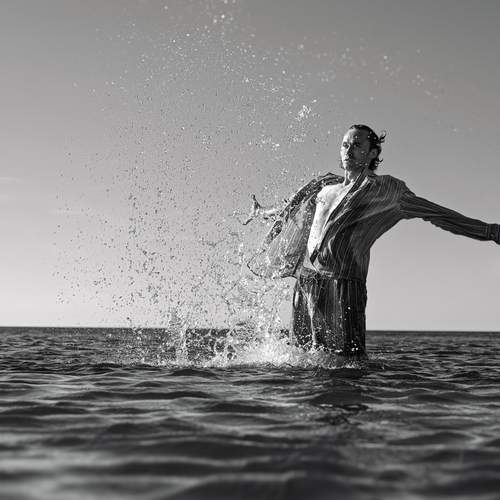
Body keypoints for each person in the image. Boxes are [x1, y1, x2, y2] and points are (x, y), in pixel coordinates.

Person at [246, 124, 500, 358]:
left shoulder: (385, 190)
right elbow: (290, 209)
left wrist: (491, 231)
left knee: (348, 362)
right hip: (308, 280)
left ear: (372, 153)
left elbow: (436, 213)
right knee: (300, 358)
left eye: (357, 145)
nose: (349, 151)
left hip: (344, 284)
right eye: (345, 144)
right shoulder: (323, 185)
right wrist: (261, 212)